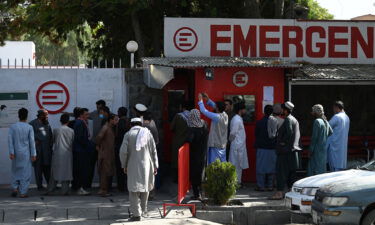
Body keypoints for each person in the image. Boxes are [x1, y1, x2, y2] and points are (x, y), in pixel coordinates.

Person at [120, 118, 158, 221]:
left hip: (132, 165)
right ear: (141, 124)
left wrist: (124, 165)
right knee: (145, 189)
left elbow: (123, 152)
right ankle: (143, 211)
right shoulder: (148, 133)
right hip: (147, 165)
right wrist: (155, 165)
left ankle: (136, 214)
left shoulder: (128, 134)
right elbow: (154, 150)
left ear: (131, 124)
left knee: (133, 190)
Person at [271, 101, 301, 200]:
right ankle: (290, 192)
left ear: (285, 110)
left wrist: (282, 143)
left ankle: (279, 193)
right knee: (291, 174)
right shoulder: (294, 119)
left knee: (281, 172)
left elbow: (289, 133)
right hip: (292, 152)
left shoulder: (288, 120)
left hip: (284, 152)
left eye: (282, 109)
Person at [8, 108, 36, 198]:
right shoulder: (29, 127)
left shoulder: (13, 126)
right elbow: (32, 142)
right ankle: (23, 192)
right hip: (26, 153)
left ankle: (15, 188)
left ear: (18, 115)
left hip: (16, 153)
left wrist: (11, 152)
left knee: (15, 170)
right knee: (25, 172)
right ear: (26, 116)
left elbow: (10, 141)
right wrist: (33, 154)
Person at [46, 113, 74, 195]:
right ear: (68, 121)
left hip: (57, 153)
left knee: (54, 172)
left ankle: (50, 189)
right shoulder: (71, 131)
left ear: (60, 121)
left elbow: (53, 141)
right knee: (67, 172)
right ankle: (64, 190)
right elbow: (72, 142)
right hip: (68, 153)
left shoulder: (56, 130)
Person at [198, 93, 228, 164]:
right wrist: (208, 99)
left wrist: (200, 101)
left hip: (216, 145)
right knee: (222, 164)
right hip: (222, 145)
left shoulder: (216, 117)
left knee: (214, 165)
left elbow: (204, 111)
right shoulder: (225, 115)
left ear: (217, 108)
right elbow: (215, 106)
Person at [255, 105, 277, 191]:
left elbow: (256, 134)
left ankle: (261, 186)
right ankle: (270, 186)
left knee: (261, 168)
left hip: (262, 148)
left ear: (264, 111)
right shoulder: (275, 122)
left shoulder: (259, 122)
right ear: (272, 112)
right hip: (272, 148)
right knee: (272, 168)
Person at [187, 109, 208, 199]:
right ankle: (202, 192)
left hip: (195, 154)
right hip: (203, 153)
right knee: (201, 173)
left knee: (194, 174)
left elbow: (189, 140)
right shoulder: (204, 125)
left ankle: (196, 194)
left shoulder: (193, 128)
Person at [30, 109, 53, 191]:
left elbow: (50, 135)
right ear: (40, 115)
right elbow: (30, 136)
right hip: (38, 151)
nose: (47, 117)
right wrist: (35, 141)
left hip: (47, 150)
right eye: (45, 115)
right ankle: (39, 186)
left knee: (48, 168)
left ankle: (50, 185)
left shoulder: (47, 123)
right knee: (38, 168)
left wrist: (51, 145)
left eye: (47, 115)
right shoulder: (32, 123)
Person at [72, 108, 94, 195]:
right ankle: (79, 188)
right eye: (86, 115)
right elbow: (80, 138)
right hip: (80, 150)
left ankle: (76, 187)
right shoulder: (80, 123)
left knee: (79, 169)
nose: (88, 116)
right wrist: (88, 146)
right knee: (81, 170)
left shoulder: (80, 122)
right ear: (81, 115)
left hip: (80, 149)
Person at [96, 114, 118, 196]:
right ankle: (103, 190)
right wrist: (98, 146)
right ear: (110, 120)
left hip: (109, 153)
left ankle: (104, 189)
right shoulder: (105, 128)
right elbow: (99, 137)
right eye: (115, 119)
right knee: (104, 172)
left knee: (107, 171)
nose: (116, 121)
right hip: (105, 153)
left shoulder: (110, 128)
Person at [307, 105, 333, 176]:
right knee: (321, 170)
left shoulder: (317, 121)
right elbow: (331, 132)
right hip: (323, 150)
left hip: (316, 150)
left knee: (314, 171)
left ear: (316, 112)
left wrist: (310, 151)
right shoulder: (325, 121)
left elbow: (314, 138)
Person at [170, 101, 193, 181]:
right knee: (187, 159)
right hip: (189, 142)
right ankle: (187, 177)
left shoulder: (178, 116)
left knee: (177, 159)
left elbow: (171, 127)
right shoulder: (193, 116)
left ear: (183, 107)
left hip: (178, 140)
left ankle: (177, 178)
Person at [229, 102, 249, 187]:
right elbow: (233, 133)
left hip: (238, 145)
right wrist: (231, 141)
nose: (245, 111)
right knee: (236, 165)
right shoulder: (237, 119)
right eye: (244, 109)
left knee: (238, 165)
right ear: (240, 110)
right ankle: (236, 183)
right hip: (236, 146)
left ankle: (238, 182)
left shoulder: (238, 118)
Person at [326, 101, 350, 172]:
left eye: (334, 108)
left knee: (333, 166)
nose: (333, 110)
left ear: (337, 108)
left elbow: (327, 127)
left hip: (334, 145)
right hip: (342, 146)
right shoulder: (347, 117)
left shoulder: (336, 117)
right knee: (340, 166)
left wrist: (324, 120)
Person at [115, 107, 130, 192]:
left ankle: (121, 186)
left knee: (120, 167)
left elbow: (119, 134)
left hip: (120, 146)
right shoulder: (128, 120)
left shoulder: (121, 121)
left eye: (118, 112)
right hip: (127, 146)